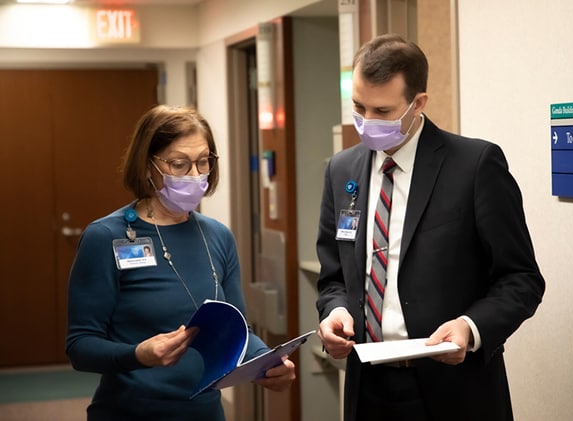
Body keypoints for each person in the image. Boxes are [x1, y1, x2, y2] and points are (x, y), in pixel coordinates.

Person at [316, 34, 545, 421]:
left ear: (417, 103)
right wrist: (334, 312)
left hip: (453, 391)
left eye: (383, 111)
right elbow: (334, 277)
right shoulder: (342, 171)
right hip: (367, 388)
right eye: (358, 107)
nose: (366, 122)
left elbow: (521, 278)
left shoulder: (474, 166)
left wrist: (470, 328)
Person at [66, 105, 295, 420]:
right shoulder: (106, 237)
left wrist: (267, 364)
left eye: (204, 162)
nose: (196, 175)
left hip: (205, 412)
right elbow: (81, 347)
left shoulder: (217, 236)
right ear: (148, 166)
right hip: (129, 411)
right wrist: (138, 355)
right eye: (179, 164)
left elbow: (238, 330)